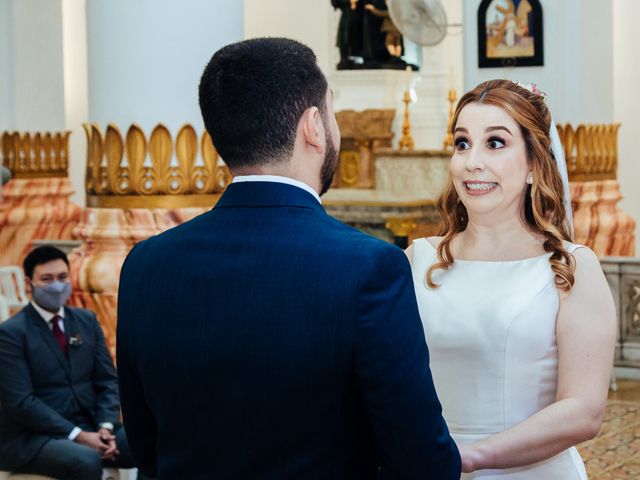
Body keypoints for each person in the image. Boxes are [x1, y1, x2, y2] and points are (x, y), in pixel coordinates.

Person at [116, 37, 460, 480]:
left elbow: (146, 446)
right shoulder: (369, 268)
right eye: (332, 114)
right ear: (313, 126)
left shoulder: (145, 264)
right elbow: (422, 463)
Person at [407, 79, 616, 479]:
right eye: (462, 143)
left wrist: (470, 457)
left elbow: (584, 411)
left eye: (496, 143)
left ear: (535, 165)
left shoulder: (571, 268)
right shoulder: (417, 259)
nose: (472, 162)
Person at [0, 245, 140, 479]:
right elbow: (21, 402)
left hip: (92, 425)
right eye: (47, 279)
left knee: (149, 440)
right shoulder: (11, 333)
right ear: (28, 284)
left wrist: (105, 426)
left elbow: (107, 380)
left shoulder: (86, 320)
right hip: (33, 436)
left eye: (62, 277)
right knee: (86, 460)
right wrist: (78, 436)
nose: (57, 285)